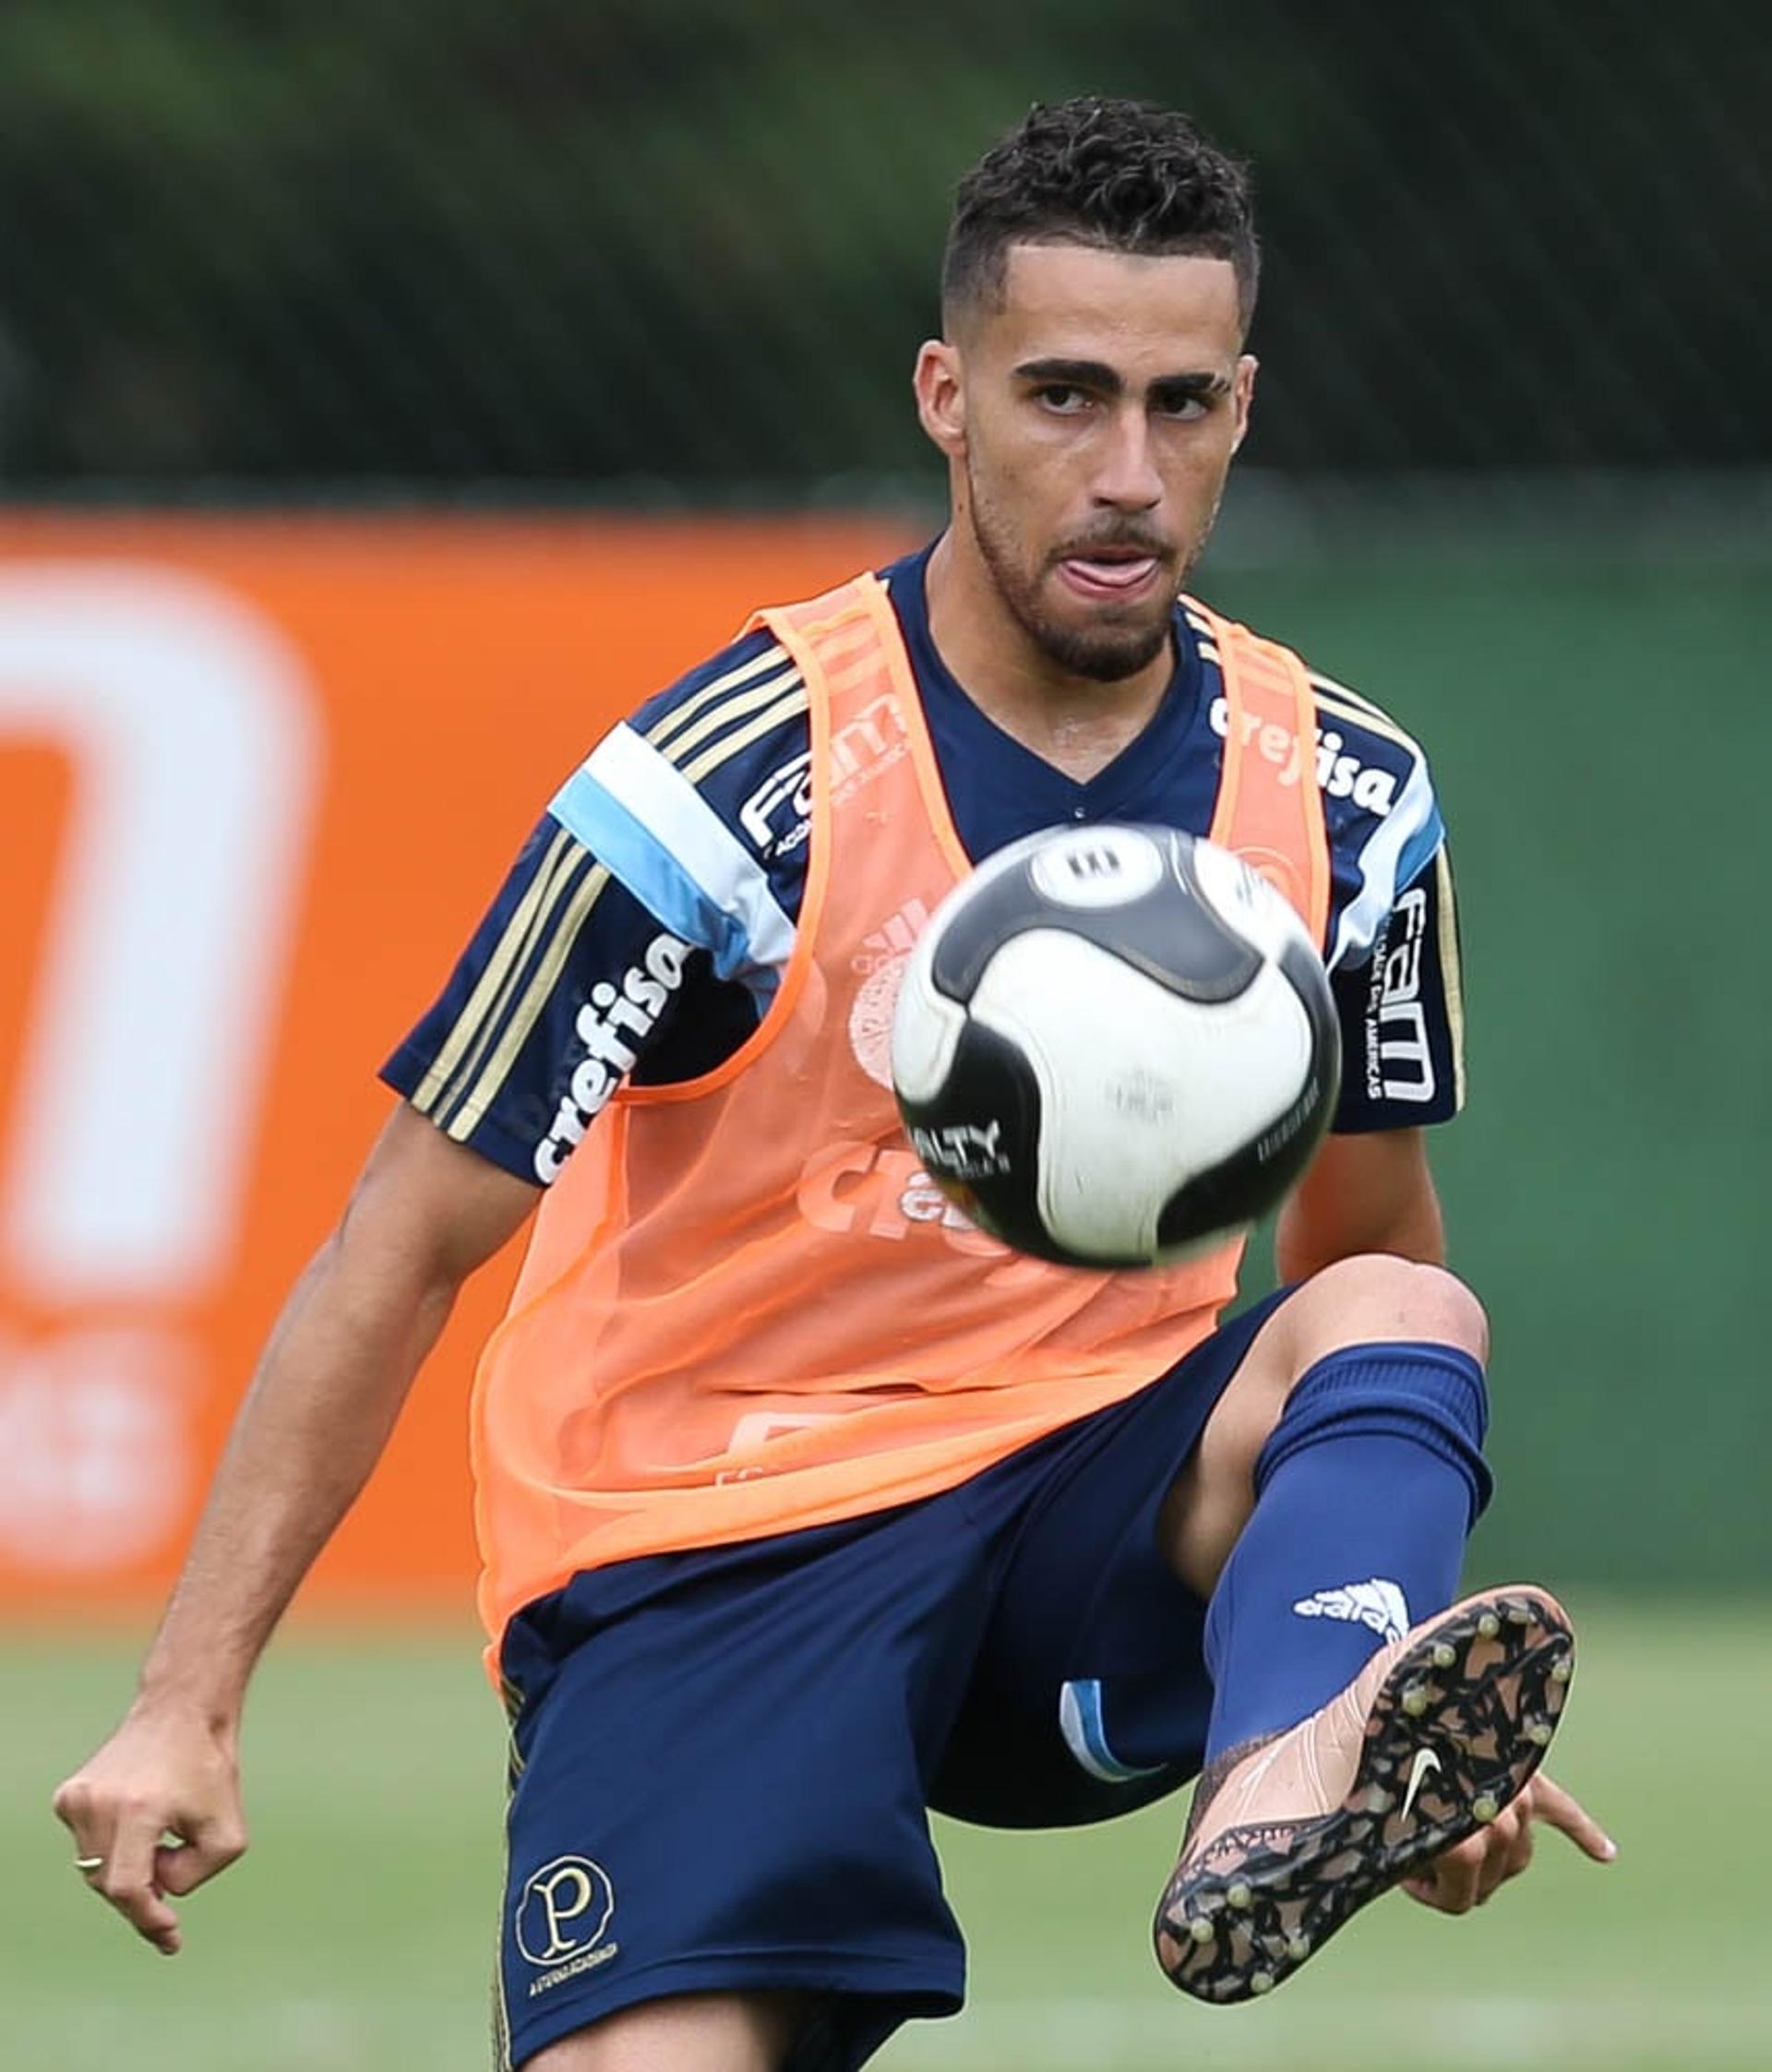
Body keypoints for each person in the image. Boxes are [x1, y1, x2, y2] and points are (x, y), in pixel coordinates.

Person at [54, 95, 1613, 2069]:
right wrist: (190, 1693)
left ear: (1240, 406)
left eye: (1182, 406)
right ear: (946, 395)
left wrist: (1388, 1667)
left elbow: (1363, 1248)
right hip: (719, 1535)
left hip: (1089, 1522)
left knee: (1404, 1313)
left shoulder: (1349, 793)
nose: (1127, 473)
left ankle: (1303, 1764)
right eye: (1065, 397)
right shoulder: (730, 781)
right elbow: (401, 1237)